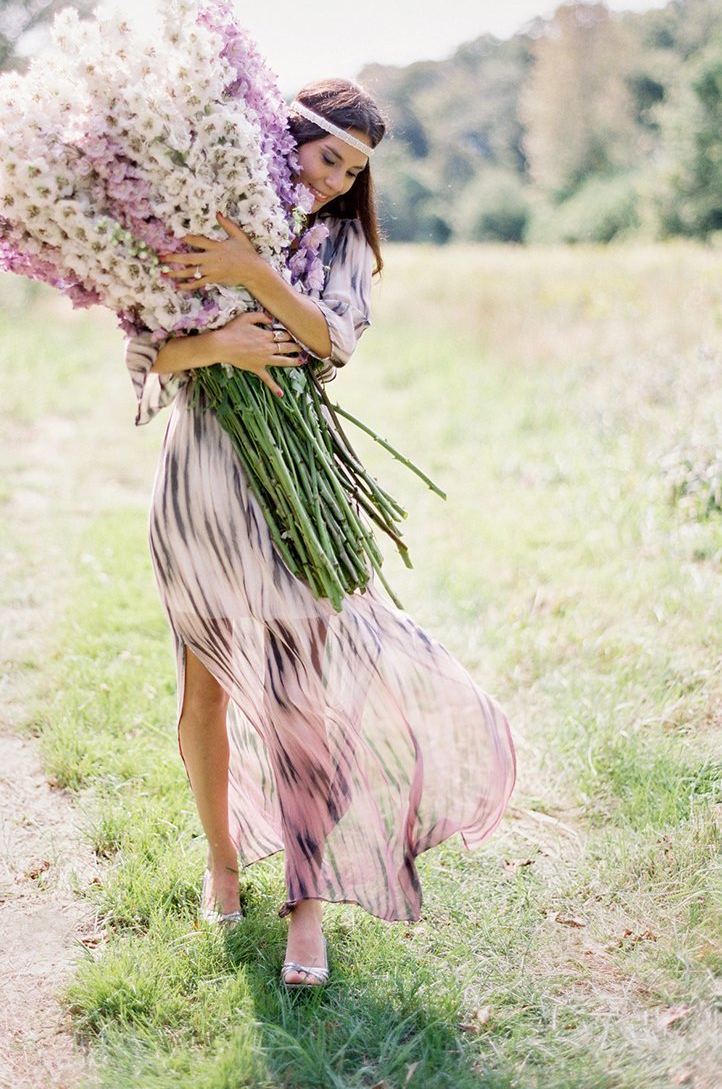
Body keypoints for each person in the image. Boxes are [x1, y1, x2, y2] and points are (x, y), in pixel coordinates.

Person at [125, 79, 516, 989]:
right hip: (202, 488)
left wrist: (256, 276)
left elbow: (332, 343)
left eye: (354, 169)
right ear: (284, 138)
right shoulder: (200, 211)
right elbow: (145, 351)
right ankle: (223, 862)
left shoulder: (335, 238)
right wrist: (217, 347)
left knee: (307, 704)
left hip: (296, 491)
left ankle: (306, 900)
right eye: (327, 156)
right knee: (205, 698)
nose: (337, 181)